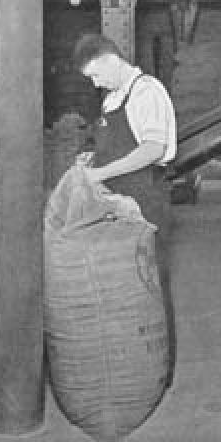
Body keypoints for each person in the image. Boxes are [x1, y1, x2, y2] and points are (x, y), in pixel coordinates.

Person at [72, 33, 178, 376]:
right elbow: (114, 144)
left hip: (145, 196)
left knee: (150, 282)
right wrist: (93, 158)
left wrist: (102, 171)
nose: (94, 82)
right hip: (119, 199)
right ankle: (133, 363)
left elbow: (152, 149)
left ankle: (160, 369)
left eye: (95, 74)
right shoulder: (112, 98)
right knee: (125, 282)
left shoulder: (147, 91)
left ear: (109, 60)